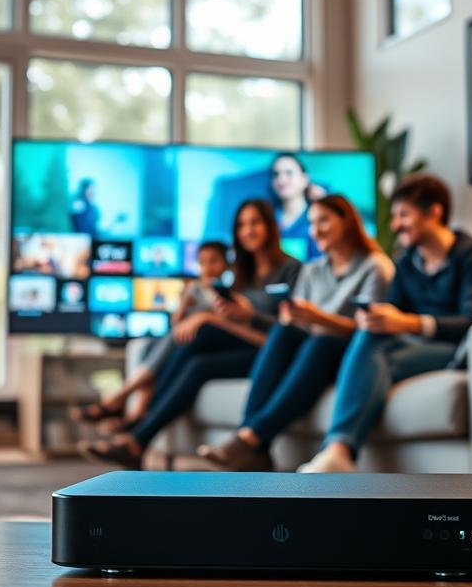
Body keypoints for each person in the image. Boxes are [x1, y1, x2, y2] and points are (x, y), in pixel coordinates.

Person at [297, 174, 472, 474]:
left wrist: (409, 323)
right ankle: (337, 452)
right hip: (414, 346)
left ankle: (339, 450)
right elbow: (392, 310)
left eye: (404, 215)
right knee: (371, 337)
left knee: (379, 359)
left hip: (456, 350)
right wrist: (377, 318)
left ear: (435, 212)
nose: (395, 225)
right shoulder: (406, 263)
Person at [79, 200, 301, 468]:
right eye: (242, 224)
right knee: (193, 359)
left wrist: (244, 315)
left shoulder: (292, 270)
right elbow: (225, 320)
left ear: (270, 226)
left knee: (201, 329)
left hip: (269, 352)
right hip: (240, 346)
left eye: (255, 222)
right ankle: (138, 437)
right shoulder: (240, 275)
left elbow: (292, 327)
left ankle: (132, 413)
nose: (248, 230)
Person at [197, 195, 394, 472]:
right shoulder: (312, 270)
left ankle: (251, 437)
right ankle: (253, 444)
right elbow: (298, 327)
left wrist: (318, 318)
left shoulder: (375, 266)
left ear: (347, 221)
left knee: (320, 343)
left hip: (349, 352)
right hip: (313, 344)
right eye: (312, 223)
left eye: (324, 220)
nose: (316, 230)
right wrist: (293, 318)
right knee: (284, 333)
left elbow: (374, 327)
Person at [71, 241, 230, 428]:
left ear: (226, 264)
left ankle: (120, 398)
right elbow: (176, 322)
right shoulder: (195, 289)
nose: (208, 268)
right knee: (150, 345)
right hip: (185, 342)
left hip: (210, 345)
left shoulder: (228, 293)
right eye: (202, 262)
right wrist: (185, 301)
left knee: (171, 340)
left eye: (214, 261)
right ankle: (137, 413)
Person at [269, 153, 326, 259]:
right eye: (276, 174)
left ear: (305, 179)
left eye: (289, 173)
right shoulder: (267, 219)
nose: (281, 180)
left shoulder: (317, 219)